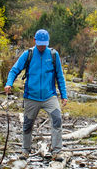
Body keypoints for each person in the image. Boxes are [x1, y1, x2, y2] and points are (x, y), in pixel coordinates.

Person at [4, 29, 68, 159]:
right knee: (28, 124)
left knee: (57, 119)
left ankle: (56, 151)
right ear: (35, 41)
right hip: (31, 96)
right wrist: (9, 83)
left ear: (48, 42)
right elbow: (14, 70)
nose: (42, 46)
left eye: (44, 44)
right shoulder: (28, 54)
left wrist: (64, 95)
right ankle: (25, 151)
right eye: (40, 44)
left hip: (49, 96)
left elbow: (60, 77)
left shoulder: (53, 55)